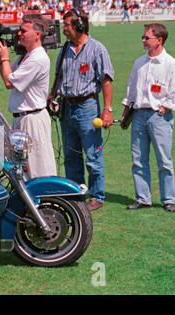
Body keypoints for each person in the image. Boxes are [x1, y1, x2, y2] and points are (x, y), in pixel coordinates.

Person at [48, 9, 114, 211]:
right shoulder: (65, 49)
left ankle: (96, 196)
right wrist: (52, 95)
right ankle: (76, 193)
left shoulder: (97, 49)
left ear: (79, 26)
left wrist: (107, 109)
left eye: (67, 25)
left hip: (88, 107)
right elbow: (59, 75)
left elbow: (106, 79)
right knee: (71, 155)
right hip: (67, 107)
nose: (64, 29)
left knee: (93, 155)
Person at [0, 14, 57, 178]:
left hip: (32, 119)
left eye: (23, 30)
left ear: (37, 34)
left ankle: (47, 199)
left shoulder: (37, 58)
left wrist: (5, 57)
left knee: (37, 166)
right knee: (23, 168)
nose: (18, 34)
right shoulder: (25, 56)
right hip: (24, 118)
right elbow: (8, 75)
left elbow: (9, 83)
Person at [121, 23, 175, 212]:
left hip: (159, 116)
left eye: (147, 38)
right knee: (138, 159)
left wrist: (167, 106)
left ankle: (169, 199)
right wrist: (126, 112)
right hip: (139, 115)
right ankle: (143, 198)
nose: (143, 40)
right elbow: (131, 89)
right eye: (143, 37)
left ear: (159, 40)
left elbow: (174, 91)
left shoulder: (170, 63)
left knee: (164, 160)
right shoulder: (139, 63)